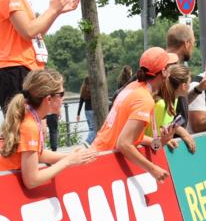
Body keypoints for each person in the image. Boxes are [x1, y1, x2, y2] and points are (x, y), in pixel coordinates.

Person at [0, 69, 96, 187]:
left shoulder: (27, 114)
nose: (63, 99)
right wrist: (68, 161)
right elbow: (31, 180)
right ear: (49, 99)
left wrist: (71, 156)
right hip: (3, 188)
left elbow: (35, 154)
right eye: (61, 94)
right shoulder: (30, 126)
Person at [92, 47, 178, 181]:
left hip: (100, 155)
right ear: (163, 72)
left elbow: (132, 136)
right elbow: (124, 144)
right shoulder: (144, 99)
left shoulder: (133, 87)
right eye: (169, 66)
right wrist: (153, 169)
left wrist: (160, 142)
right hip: (106, 161)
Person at [152, 64, 197, 154]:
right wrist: (163, 141)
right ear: (184, 86)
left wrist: (181, 132)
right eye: (190, 82)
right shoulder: (160, 105)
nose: (190, 85)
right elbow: (150, 137)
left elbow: (168, 123)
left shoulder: (175, 99)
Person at [76, 77, 96, 144]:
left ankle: (91, 142)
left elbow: (80, 103)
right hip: (92, 110)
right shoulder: (92, 90)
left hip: (86, 111)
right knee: (93, 128)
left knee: (90, 128)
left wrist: (78, 114)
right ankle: (88, 142)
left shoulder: (83, 90)